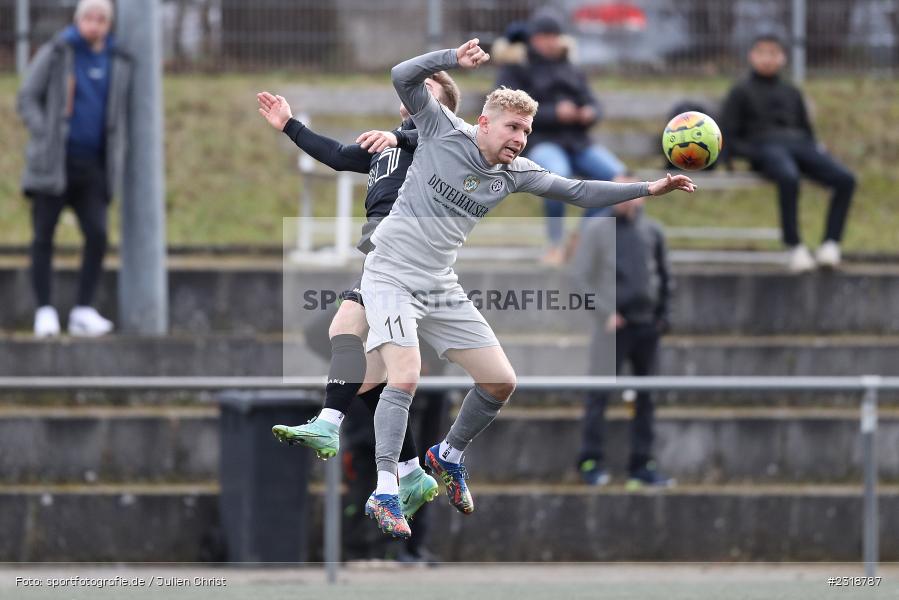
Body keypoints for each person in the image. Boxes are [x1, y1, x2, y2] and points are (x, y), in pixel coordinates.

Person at [360, 39, 695, 539]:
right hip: (389, 271)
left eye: (527, 131)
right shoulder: (441, 129)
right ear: (485, 123)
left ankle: (446, 455)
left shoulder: (516, 173)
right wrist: (452, 58)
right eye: (513, 127)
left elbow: (579, 191)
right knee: (404, 377)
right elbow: (401, 73)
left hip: (437, 282)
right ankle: (385, 488)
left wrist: (647, 188)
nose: (521, 138)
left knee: (500, 382)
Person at [256, 71, 460, 522]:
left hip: (408, 261)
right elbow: (337, 155)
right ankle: (409, 471)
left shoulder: (440, 141)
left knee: (345, 329)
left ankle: (331, 425)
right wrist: (290, 125)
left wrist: (398, 135)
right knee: (366, 373)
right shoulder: (390, 147)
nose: (414, 96)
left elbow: (430, 135)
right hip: (383, 260)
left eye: (428, 92)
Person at [17, 0, 131, 337]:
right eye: (89, 17)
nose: (94, 24)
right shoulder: (57, 52)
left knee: (97, 234)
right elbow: (27, 97)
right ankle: (45, 310)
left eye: (101, 19)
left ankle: (83, 309)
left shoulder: (117, 60)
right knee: (43, 236)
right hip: (53, 165)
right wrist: (46, 134)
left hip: (93, 165)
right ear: (78, 20)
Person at [495, 9, 627, 266]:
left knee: (620, 180)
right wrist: (555, 113)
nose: (551, 41)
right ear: (533, 38)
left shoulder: (571, 68)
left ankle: (580, 237)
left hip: (578, 142)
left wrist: (589, 112)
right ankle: (555, 244)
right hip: (543, 140)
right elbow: (507, 108)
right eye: (545, 36)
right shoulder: (518, 68)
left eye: (555, 35)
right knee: (556, 177)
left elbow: (593, 103)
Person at [720, 34, 856, 273]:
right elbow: (728, 135)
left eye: (773, 53)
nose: (768, 59)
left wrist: (816, 150)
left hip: (800, 146)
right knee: (788, 177)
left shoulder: (792, 91)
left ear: (782, 58)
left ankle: (830, 244)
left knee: (845, 179)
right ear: (752, 56)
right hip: (765, 149)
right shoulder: (740, 91)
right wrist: (751, 155)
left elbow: (807, 131)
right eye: (762, 53)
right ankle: (794, 245)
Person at [570, 193, 675, 489]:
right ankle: (590, 461)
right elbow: (579, 278)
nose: (624, 200)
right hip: (612, 329)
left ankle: (642, 464)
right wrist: (605, 312)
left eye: (631, 193)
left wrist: (664, 316)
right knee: (598, 394)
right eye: (619, 193)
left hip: (647, 327)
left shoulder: (652, 230)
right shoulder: (597, 230)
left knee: (647, 397)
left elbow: (665, 277)